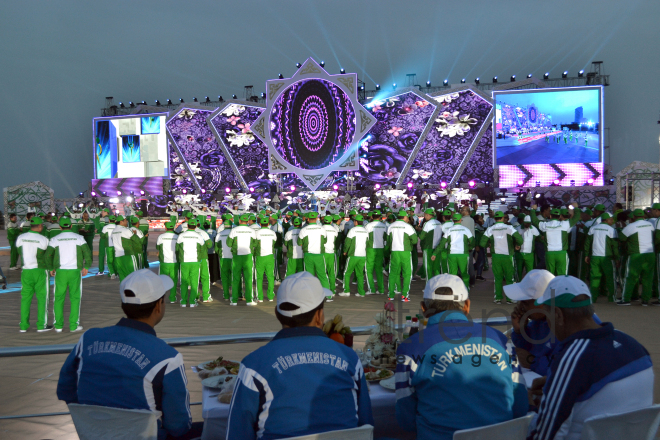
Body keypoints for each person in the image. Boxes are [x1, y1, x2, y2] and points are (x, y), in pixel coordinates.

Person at [226, 271, 373, 439]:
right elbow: (366, 426)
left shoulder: (254, 365)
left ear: (277, 314)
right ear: (319, 316)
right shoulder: (350, 359)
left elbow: (236, 434)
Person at [56, 269, 200, 440]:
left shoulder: (88, 339)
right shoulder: (167, 357)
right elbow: (178, 425)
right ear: (158, 306)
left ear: (124, 305)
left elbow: (65, 390)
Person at [395, 274, 528, 440]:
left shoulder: (410, 347)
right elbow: (521, 407)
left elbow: (405, 421)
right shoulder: (501, 341)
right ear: (467, 305)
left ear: (423, 308)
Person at [527, 276, 654, 440]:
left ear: (558, 315)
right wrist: (557, 383)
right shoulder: (634, 345)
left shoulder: (572, 359)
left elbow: (544, 436)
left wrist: (529, 404)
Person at [45, 217, 92, 333]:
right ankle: (73, 326)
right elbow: (87, 253)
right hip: (75, 272)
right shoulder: (79, 238)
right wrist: (86, 266)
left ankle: (59, 326)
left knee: (59, 298)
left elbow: (47, 256)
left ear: (60, 227)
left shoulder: (54, 239)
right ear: (71, 226)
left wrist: (51, 268)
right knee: (75, 298)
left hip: (60, 272)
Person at [16, 216, 52, 332]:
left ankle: (23, 326)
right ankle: (41, 325)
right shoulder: (44, 239)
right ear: (40, 226)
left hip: (26, 271)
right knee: (42, 299)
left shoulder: (21, 238)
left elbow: (18, 251)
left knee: (25, 299)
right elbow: (47, 256)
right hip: (40, 271)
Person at [480, 211, 523, 304]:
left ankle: (498, 298)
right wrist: (517, 245)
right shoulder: (509, 228)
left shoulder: (490, 229)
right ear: (503, 218)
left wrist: (489, 244)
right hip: (508, 257)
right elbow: (520, 239)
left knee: (498, 278)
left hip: (496, 256)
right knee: (510, 278)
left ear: (495, 219)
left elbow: (482, 243)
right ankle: (510, 299)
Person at [618, 208, 655, 305]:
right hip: (650, 254)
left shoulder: (631, 226)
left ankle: (626, 299)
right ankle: (645, 301)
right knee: (648, 278)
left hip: (636, 255)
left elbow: (621, 238)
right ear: (643, 216)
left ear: (633, 216)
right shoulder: (650, 224)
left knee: (630, 277)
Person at [530, 204, 579, 276]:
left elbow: (534, 221)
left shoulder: (545, 225)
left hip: (549, 254)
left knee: (550, 275)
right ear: (559, 216)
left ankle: (551, 287)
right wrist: (576, 208)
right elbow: (576, 217)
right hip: (561, 254)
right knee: (562, 276)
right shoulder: (565, 224)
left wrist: (532, 210)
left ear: (550, 216)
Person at [584, 212, 619, 302]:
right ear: (607, 220)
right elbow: (614, 246)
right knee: (610, 278)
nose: (612, 221)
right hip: (607, 258)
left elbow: (587, 243)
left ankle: (593, 298)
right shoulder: (611, 230)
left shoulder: (593, 228)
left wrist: (586, 255)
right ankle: (612, 298)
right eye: (611, 219)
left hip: (594, 257)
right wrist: (617, 258)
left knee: (594, 278)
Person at [385, 210, 418, 301]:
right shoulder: (408, 227)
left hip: (394, 252)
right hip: (405, 252)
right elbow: (415, 240)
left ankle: (391, 295)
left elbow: (388, 241)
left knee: (393, 273)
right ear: (405, 217)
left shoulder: (391, 226)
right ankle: (404, 296)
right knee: (407, 274)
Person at [434, 213, 474, 289]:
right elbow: (472, 241)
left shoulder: (449, 230)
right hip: (463, 255)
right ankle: (466, 290)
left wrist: (435, 253)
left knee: (452, 274)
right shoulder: (466, 230)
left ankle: (454, 290)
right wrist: (470, 248)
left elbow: (442, 243)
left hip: (451, 254)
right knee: (464, 274)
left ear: (453, 220)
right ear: (460, 220)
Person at [227, 214, 257, 306]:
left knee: (235, 279)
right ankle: (249, 300)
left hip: (237, 257)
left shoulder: (234, 230)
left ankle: (234, 300)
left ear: (239, 221)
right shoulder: (251, 231)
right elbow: (255, 243)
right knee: (248, 279)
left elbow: (228, 243)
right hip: (248, 256)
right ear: (247, 221)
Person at [176, 219, 206, 307]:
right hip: (195, 261)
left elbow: (177, 248)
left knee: (184, 282)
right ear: (196, 226)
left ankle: (184, 301)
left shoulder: (181, 235)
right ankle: (192, 302)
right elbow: (203, 248)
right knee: (194, 281)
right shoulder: (199, 236)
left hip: (184, 262)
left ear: (187, 226)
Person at [298, 212, 331, 292]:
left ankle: (311, 296)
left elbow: (299, 243)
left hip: (308, 255)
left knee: (309, 277)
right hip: (319, 255)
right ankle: (328, 296)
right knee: (323, 275)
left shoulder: (303, 230)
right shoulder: (322, 229)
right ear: (316, 219)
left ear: (308, 219)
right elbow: (325, 241)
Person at [342, 214, 369, 298]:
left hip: (353, 255)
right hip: (363, 255)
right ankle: (361, 292)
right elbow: (367, 243)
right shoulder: (365, 231)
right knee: (360, 274)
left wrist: (345, 251)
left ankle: (346, 291)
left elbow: (347, 242)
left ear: (356, 222)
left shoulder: (353, 230)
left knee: (347, 273)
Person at [254, 216, 278, 302]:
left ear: (260, 224)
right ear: (268, 224)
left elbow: (255, 244)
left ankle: (260, 297)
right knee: (270, 277)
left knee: (259, 277)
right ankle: (270, 296)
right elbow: (274, 242)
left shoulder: (256, 233)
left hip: (260, 256)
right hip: (270, 256)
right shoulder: (272, 232)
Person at [111, 216, 142, 281]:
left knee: (122, 277)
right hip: (128, 256)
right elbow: (138, 241)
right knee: (134, 275)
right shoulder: (126, 230)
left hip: (118, 257)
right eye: (125, 220)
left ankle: (124, 290)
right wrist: (135, 234)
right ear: (121, 221)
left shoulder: (113, 231)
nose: (127, 221)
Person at [365, 210, 388, 295]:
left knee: (369, 269)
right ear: (380, 217)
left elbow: (365, 238)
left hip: (371, 248)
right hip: (380, 249)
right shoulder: (384, 226)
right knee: (379, 269)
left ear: (372, 217)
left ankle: (371, 289)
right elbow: (386, 238)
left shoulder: (368, 225)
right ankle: (381, 289)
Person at [156, 221, 179, 304]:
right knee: (174, 280)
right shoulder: (177, 237)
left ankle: (161, 298)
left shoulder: (161, 237)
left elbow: (157, 247)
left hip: (164, 262)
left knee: (162, 280)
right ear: (173, 228)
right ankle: (172, 298)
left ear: (166, 228)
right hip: (174, 262)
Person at [418, 208, 443, 280]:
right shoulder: (439, 222)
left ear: (428, 215)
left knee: (428, 268)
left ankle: (429, 287)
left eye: (425, 215)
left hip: (428, 248)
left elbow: (422, 237)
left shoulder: (427, 223)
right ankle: (438, 286)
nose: (425, 217)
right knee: (436, 268)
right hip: (437, 248)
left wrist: (419, 233)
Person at [215, 214, 234, 301]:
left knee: (224, 277)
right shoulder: (234, 233)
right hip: (233, 258)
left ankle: (226, 295)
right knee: (235, 277)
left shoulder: (220, 234)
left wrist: (219, 254)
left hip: (223, 258)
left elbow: (216, 247)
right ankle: (235, 295)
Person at [515, 215, 540, 281]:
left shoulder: (533, 229)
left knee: (530, 272)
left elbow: (538, 238)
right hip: (519, 253)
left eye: (529, 223)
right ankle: (518, 284)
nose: (527, 224)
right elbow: (513, 239)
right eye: (526, 223)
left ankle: (529, 285)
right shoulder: (518, 228)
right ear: (523, 222)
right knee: (519, 271)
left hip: (529, 254)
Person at [321, 215, 339, 297]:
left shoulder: (320, 228)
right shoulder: (334, 230)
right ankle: (332, 290)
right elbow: (335, 240)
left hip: (322, 253)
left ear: (323, 221)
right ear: (331, 222)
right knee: (331, 272)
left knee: (322, 273)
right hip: (331, 252)